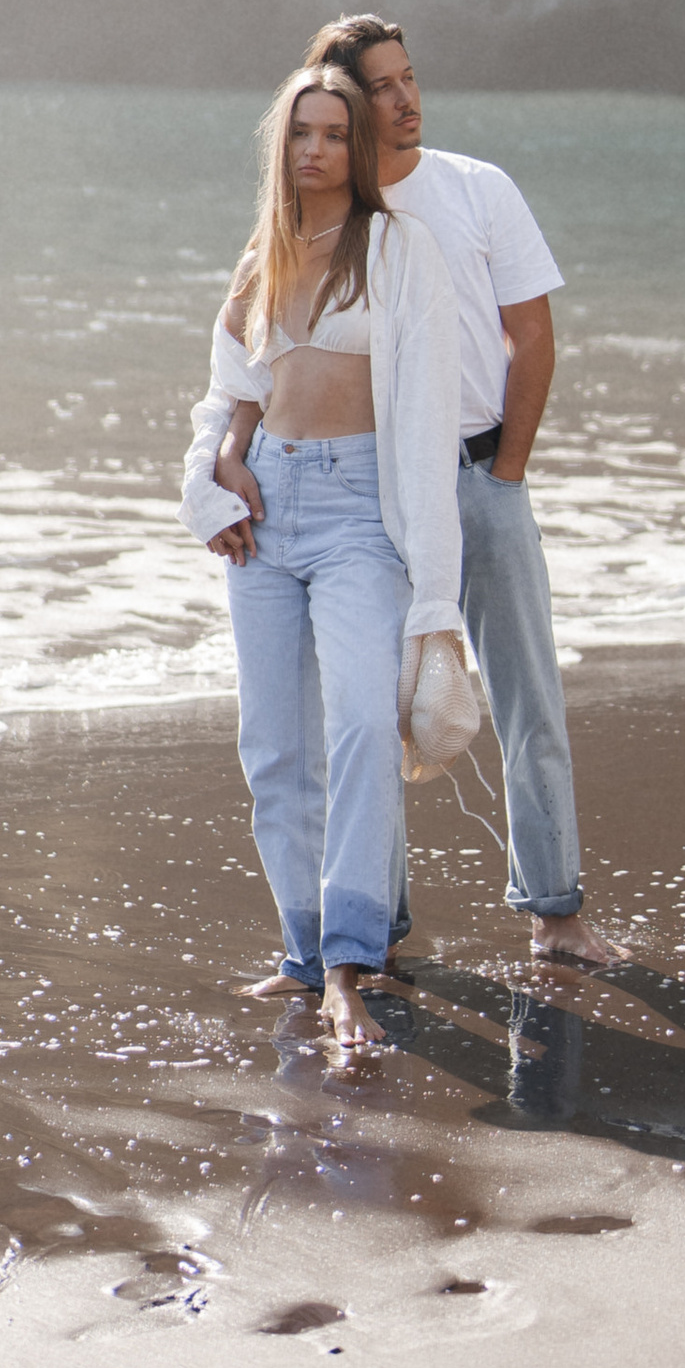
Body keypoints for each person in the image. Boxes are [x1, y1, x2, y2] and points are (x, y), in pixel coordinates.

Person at [309, 15, 623, 968]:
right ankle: (380, 928)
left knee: (530, 700)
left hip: (480, 474)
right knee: (375, 711)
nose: (407, 99)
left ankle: (556, 912)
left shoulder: (479, 188)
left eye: (410, 78)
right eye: (383, 87)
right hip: (373, 485)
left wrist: (507, 471)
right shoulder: (333, 213)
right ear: (348, 101)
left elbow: (534, 336)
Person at [179, 64, 468, 1050]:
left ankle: (351, 963)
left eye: (335, 133)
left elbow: (426, 413)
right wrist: (212, 478)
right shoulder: (262, 254)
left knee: (361, 726)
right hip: (266, 506)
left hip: (358, 513)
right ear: (282, 144)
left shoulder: (398, 248)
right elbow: (230, 394)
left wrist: (435, 586)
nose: (315, 149)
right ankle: (304, 952)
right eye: (301, 132)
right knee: (272, 747)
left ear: (358, 148)